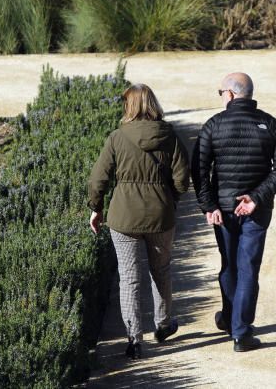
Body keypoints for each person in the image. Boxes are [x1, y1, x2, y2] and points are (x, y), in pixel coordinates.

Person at [191, 72, 276, 352]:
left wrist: (209, 205)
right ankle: (239, 330)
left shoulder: (213, 125)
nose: (221, 96)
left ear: (231, 94)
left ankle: (232, 322)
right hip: (256, 211)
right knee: (247, 268)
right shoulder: (271, 124)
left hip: (223, 211)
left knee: (229, 264)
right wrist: (257, 197)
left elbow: (198, 170)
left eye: (220, 91)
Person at [88, 83, 189, 360]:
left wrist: (96, 208)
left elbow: (98, 179)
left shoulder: (117, 138)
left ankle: (134, 339)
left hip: (123, 219)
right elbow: (182, 180)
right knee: (162, 271)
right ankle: (164, 324)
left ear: (129, 106)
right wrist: (171, 201)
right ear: (153, 104)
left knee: (129, 279)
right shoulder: (171, 137)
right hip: (161, 216)